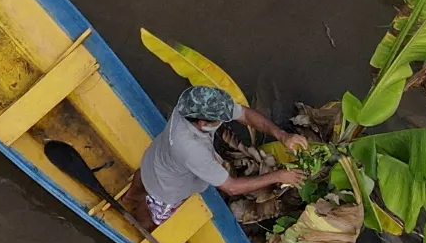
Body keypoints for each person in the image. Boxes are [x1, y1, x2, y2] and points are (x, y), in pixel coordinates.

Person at [126, 83, 307, 229]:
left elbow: (244, 114)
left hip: (152, 161)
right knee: (152, 219)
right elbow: (232, 188)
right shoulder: (191, 150)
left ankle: (131, 196)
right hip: (166, 189)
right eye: (220, 120)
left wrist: (282, 135)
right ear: (203, 122)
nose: (224, 120)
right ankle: (137, 226)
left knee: (141, 180)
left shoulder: (190, 102)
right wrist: (279, 176)